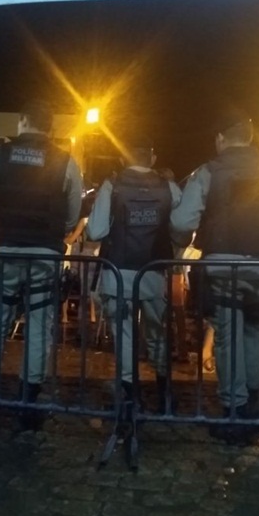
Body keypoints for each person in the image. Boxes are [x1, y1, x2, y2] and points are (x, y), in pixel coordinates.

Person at [170, 110, 259, 442]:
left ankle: (234, 410)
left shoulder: (209, 171)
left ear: (220, 139)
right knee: (255, 333)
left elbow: (182, 222)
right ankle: (255, 407)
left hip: (222, 266)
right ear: (249, 138)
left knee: (227, 338)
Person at [0, 99, 83, 430]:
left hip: (7, 248)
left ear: (23, 121)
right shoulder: (66, 161)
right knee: (39, 324)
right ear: (51, 127)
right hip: (45, 254)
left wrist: (0, 225)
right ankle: (28, 398)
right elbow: (72, 213)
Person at [87, 137, 184, 414]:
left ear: (123, 159)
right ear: (152, 159)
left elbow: (95, 231)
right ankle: (165, 393)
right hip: (154, 272)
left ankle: (131, 397)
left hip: (117, 273)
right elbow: (182, 229)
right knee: (157, 334)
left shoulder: (113, 185)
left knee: (125, 335)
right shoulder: (169, 187)